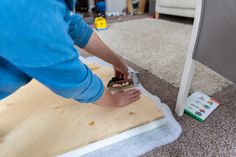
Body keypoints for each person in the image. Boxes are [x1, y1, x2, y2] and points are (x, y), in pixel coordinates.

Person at [0, 0, 141, 107]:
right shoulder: (30, 17)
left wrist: (116, 61)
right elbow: (70, 78)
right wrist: (114, 100)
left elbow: (72, 25)